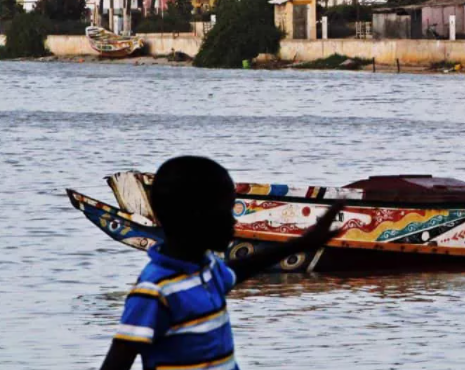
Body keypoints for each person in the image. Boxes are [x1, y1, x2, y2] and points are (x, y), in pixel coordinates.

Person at [99, 156, 343, 370]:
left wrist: (301, 244)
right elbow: (118, 361)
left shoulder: (206, 269)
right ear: (195, 217)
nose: (234, 223)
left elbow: (241, 269)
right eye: (226, 211)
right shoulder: (154, 291)